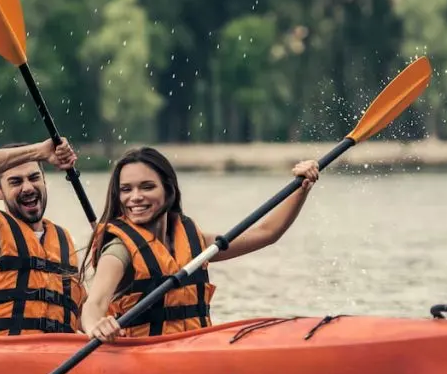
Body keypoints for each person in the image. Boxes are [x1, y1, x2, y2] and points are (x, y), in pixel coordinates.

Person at [80, 146, 319, 341]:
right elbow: (95, 303)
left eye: (147, 186)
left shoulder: (195, 241)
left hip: (192, 347)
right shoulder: (119, 249)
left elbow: (267, 232)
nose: (135, 197)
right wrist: (96, 327)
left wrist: (302, 188)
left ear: (168, 190)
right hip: (143, 354)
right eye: (125, 190)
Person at [0, 138, 87, 335]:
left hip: (58, 355)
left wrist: (102, 324)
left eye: (34, 178)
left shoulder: (65, 241)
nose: (28, 187)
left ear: (45, 182)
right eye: (16, 182)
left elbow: (81, 312)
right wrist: (40, 151)